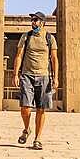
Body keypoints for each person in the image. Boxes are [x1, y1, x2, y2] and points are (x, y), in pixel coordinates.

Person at [12, 11, 58, 150]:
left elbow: (54, 58)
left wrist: (55, 77)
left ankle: (37, 139)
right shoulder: (26, 37)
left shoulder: (50, 38)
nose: (33, 22)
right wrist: (15, 74)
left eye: (36, 20)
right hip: (27, 75)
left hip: (43, 76)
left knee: (41, 108)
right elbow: (19, 55)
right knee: (25, 108)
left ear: (42, 22)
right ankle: (27, 129)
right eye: (32, 19)